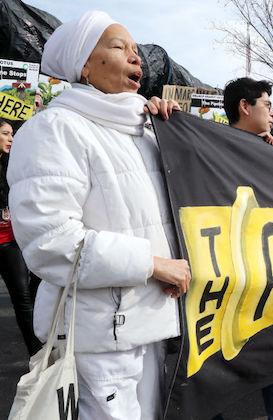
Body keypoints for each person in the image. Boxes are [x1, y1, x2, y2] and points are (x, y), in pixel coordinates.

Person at [7, 12, 191, 419]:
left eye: (136, 50)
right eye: (118, 46)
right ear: (84, 65)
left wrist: (181, 135)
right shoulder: (52, 129)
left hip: (153, 327)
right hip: (97, 340)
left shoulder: (148, 130)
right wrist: (153, 264)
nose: (136, 57)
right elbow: (49, 241)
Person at [223, 76, 273, 420]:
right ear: (244, 107)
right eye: (267, 105)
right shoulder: (209, 146)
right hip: (223, 272)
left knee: (271, 352)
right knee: (216, 359)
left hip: (264, 272)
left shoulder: (270, 149)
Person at [0, 118, 41, 357]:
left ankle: (38, 357)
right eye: (5, 133)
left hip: (10, 243)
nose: (11, 138)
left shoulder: (13, 166)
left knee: (23, 301)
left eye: (11, 134)